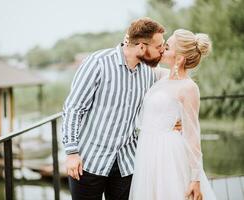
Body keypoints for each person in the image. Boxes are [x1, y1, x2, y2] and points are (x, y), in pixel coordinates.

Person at [61, 18, 180, 200]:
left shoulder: (149, 73)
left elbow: (153, 107)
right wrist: (71, 152)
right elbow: (73, 109)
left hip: (126, 163)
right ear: (141, 47)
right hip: (88, 161)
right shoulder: (97, 63)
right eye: (159, 46)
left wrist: (170, 123)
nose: (162, 50)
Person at [129, 29, 217, 200]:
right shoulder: (161, 76)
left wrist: (195, 178)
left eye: (167, 47)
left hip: (168, 153)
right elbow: (138, 59)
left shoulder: (188, 88)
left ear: (180, 58)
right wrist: (132, 40)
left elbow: (193, 136)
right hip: (148, 150)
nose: (161, 49)